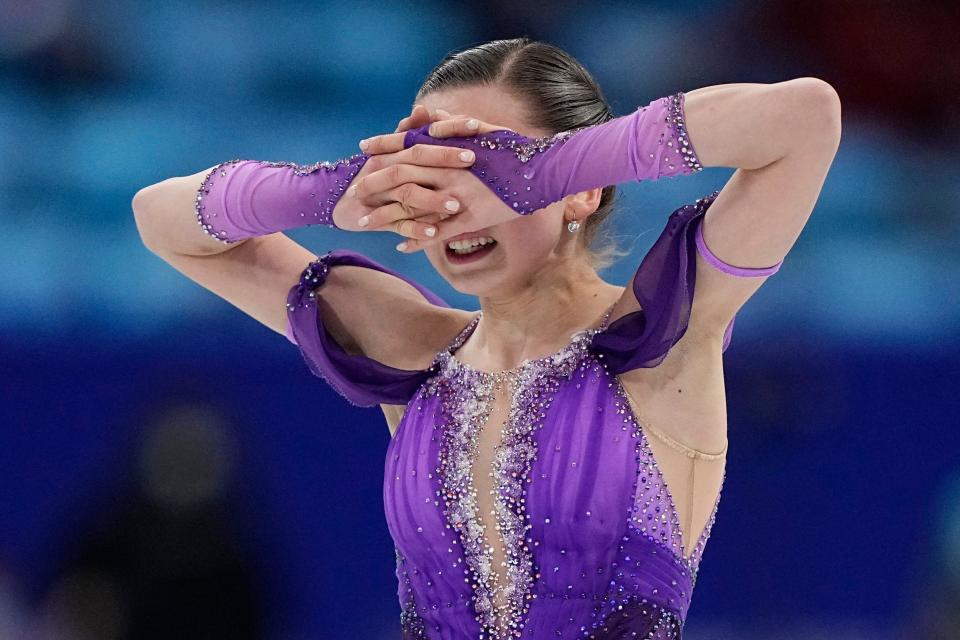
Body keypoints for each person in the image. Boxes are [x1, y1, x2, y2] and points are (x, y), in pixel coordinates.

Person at [132, 37, 840, 640]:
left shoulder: (659, 337)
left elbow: (804, 118)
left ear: (582, 189)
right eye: (430, 171)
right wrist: (329, 192)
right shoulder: (413, 353)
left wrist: (550, 168)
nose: (455, 202)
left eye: (488, 170)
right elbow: (159, 220)